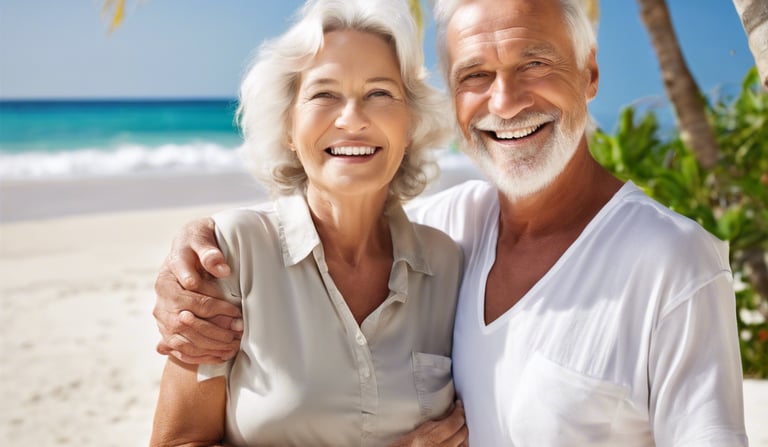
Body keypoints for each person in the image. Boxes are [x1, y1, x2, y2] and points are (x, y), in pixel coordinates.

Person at [153, 0, 749, 445]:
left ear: (590, 74)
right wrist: (190, 255)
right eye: (474, 76)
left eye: (535, 62)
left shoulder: (676, 262)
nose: (505, 101)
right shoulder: (452, 231)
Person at [149, 0, 469, 445]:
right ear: (288, 126)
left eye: (379, 93)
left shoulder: (450, 264)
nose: (352, 119)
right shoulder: (231, 255)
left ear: (410, 125)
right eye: (324, 94)